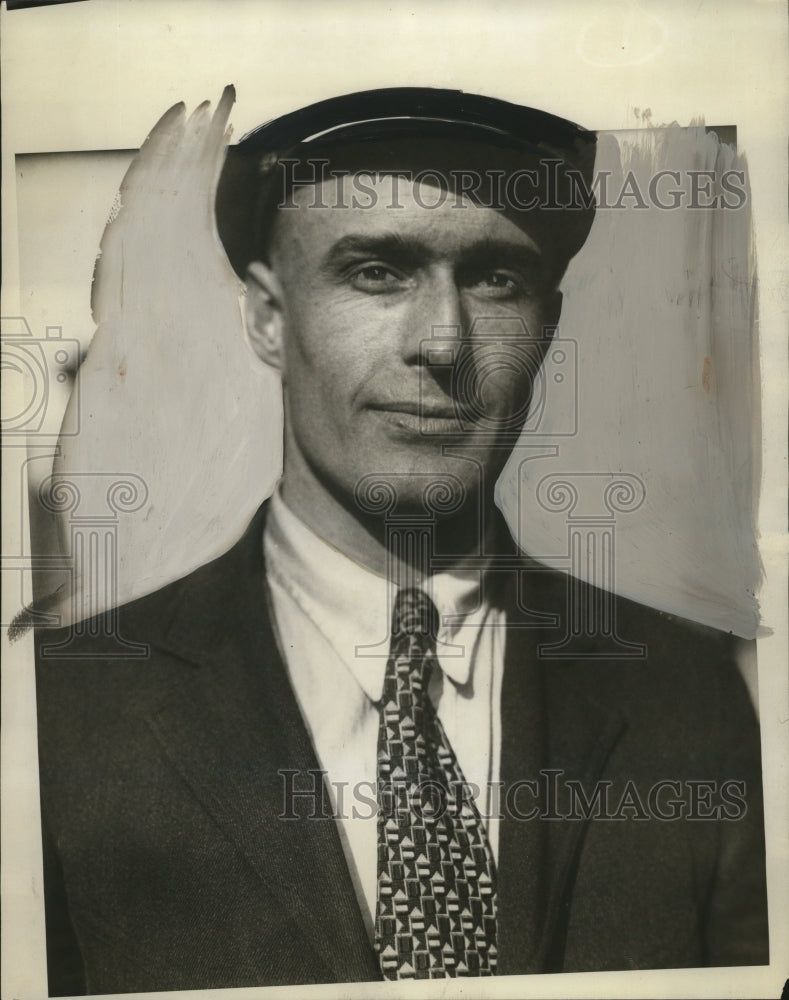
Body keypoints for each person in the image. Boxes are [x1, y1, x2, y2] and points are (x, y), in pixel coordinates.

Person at [35, 88, 768, 995]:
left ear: (549, 325)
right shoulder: (60, 716)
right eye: (376, 272)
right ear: (269, 317)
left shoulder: (689, 700)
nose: (444, 342)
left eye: (496, 278)